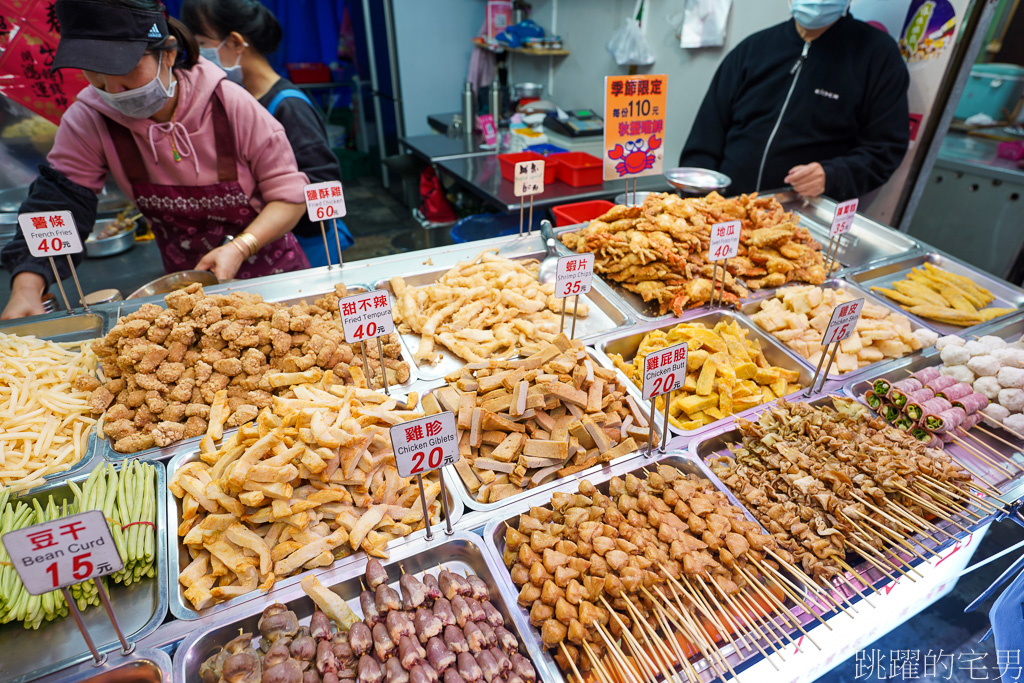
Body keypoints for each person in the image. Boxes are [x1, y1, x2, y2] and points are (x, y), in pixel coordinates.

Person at [1, 0, 310, 319]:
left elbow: (289, 197)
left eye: (123, 70)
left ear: (169, 53)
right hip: (186, 294)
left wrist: (242, 246)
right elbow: (58, 202)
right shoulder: (89, 119)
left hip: (275, 282)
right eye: (95, 74)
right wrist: (26, 285)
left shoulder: (232, 105)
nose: (113, 91)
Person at [678, 0, 910, 201]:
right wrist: (700, 200)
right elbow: (705, 138)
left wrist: (833, 175)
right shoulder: (753, 49)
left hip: (804, 218)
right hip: (727, 208)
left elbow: (885, 149)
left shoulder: (877, 56)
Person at [180, 0, 353, 267]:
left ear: (236, 43)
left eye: (203, 44)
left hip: (302, 247)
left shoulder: (288, 105)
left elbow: (324, 181)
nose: (199, 56)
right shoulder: (238, 100)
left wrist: (272, 216)